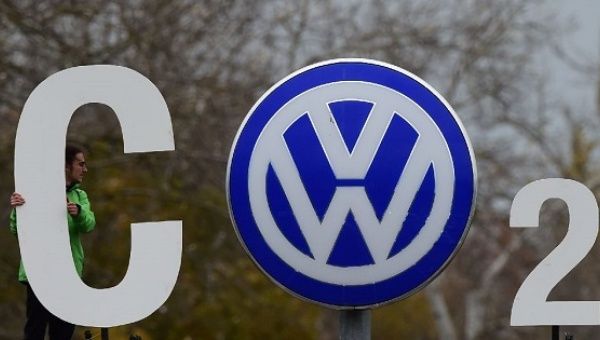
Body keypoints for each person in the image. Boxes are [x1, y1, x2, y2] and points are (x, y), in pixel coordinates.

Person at [9, 144, 96, 340]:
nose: (85, 169)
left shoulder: (80, 196)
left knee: (63, 332)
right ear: (66, 166)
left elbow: (89, 224)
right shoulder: (35, 193)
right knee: (35, 330)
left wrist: (78, 213)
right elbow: (16, 231)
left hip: (69, 273)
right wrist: (18, 210)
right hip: (40, 272)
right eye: (80, 164)